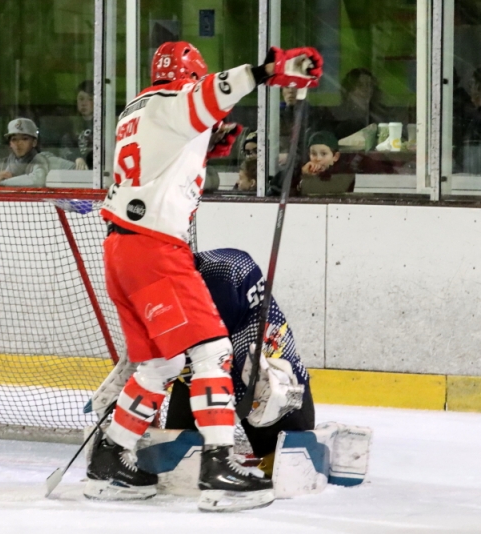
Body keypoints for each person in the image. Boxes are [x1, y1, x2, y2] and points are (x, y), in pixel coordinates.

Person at [87, 41, 322, 512]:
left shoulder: (137, 111)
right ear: (188, 76)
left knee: (161, 365)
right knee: (213, 352)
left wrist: (205, 145)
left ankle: (109, 459)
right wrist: (270, 70)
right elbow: (214, 92)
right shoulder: (175, 100)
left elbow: (160, 165)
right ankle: (219, 469)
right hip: (155, 248)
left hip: (120, 248)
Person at [164, 248, 313, 478]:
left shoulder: (222, 274)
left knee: (285, 461)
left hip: (259, 372)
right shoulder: (149, 286)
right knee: (179, 460)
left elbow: (221, 355)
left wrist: (221, 422)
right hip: (201, 373)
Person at [268, 130, 354, 196]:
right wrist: (300, 173)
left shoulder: (344, 173)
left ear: (335, 157)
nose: (318, 158)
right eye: (313, 154)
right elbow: (274, 188)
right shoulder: (301, 171)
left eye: (324, 154)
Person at [59, 80, 94, 170]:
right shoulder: (70, 125)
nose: (84, 103)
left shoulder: (105, 125)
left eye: (90, 99)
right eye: (81, 99)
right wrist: (76, 158)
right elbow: (66, 148)